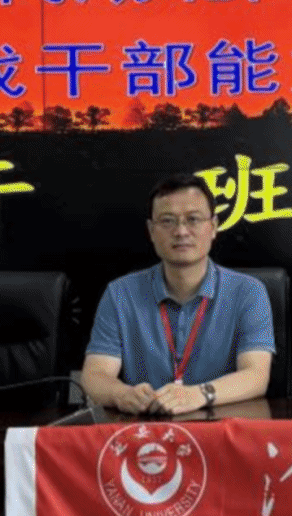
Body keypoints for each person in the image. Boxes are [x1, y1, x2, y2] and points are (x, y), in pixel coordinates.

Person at [81, 175, 275, 414]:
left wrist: (199, 394)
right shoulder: (120, 294)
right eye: (167, 221)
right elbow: (95, 375)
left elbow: (256, 376)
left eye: (193, 219)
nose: (181, 231)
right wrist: (122, 394)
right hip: (145, 427)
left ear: (213, 227)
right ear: (151, 231)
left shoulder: (248, 292)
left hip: (221, 427)